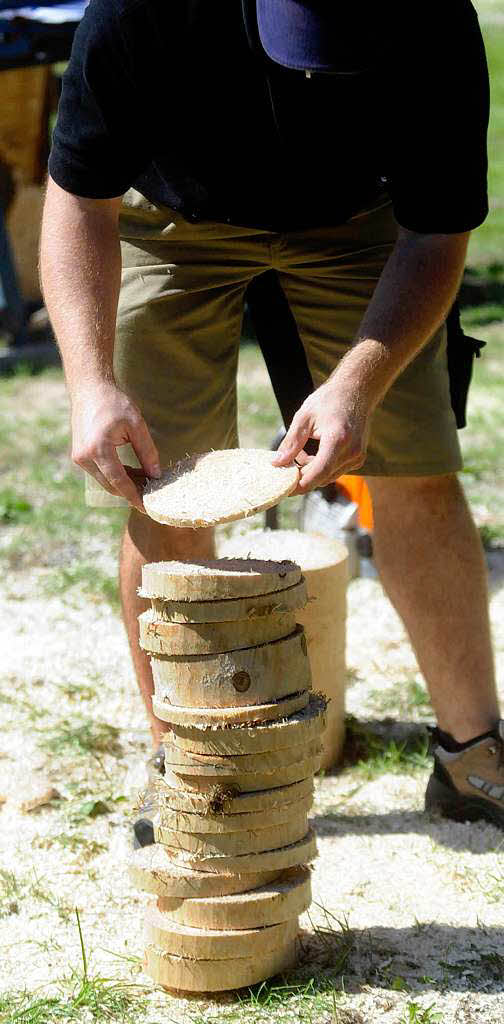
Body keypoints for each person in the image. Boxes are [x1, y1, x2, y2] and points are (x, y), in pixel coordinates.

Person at [40, 0, 504, 841]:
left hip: (359, 222)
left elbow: (438, 234)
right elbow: (77, 201)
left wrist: (359, 382)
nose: (318, 72)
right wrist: (89, 385)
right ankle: (183, 765)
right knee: (161, 484)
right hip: (169, 214)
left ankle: (473, 756)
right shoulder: (144, 9)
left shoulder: (431, 17)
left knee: (415, 466)